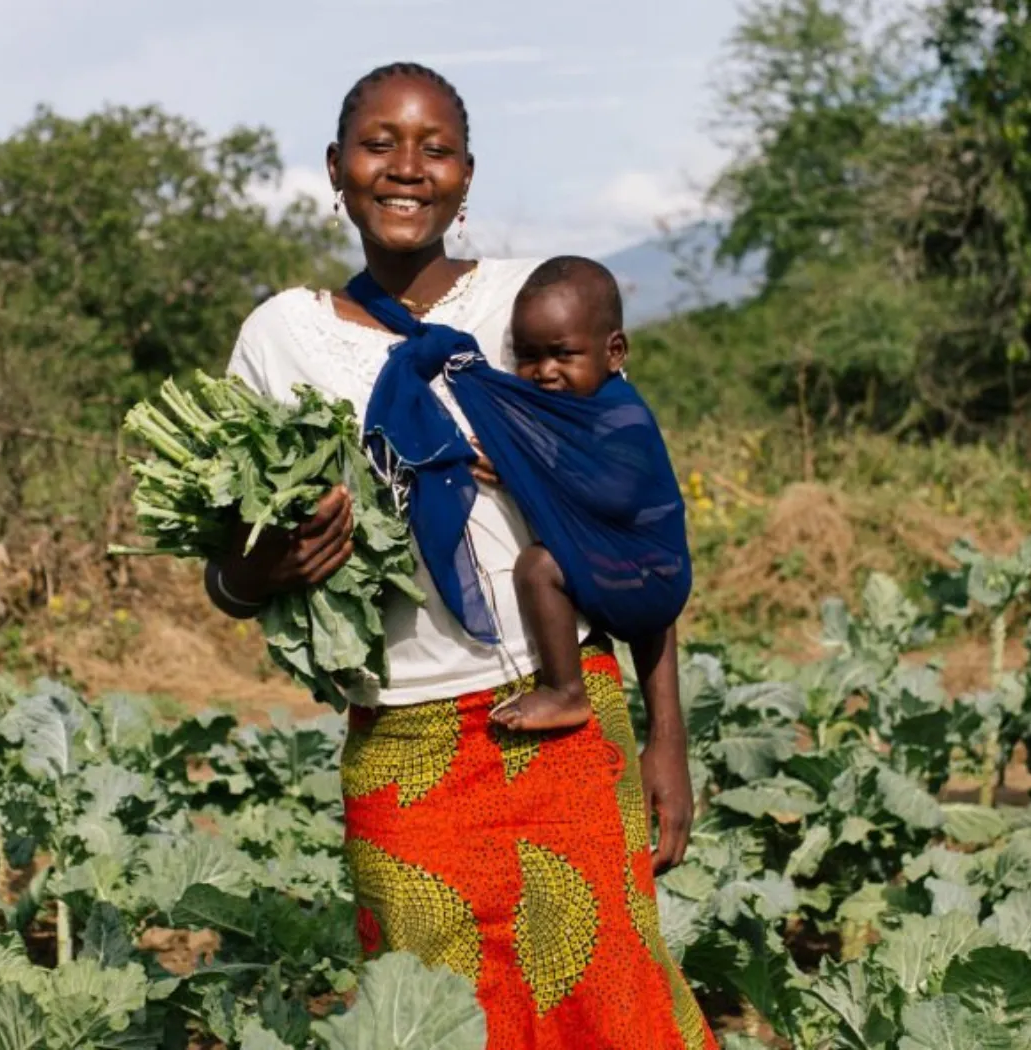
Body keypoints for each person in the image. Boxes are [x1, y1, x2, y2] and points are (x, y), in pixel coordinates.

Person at [206, 62, 716, 1050]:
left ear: (467, 177)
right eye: (379, 144)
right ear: (336, 169)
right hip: (402, 745)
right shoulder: (281, 338)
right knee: (435, 1021)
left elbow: (631, 522)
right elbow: (226, 574)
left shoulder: (536, 303)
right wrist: (268, 570)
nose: (406, 168)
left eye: (434, 148)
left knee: (611, 1007)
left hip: (566, 724)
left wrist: (667, 735)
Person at [486, 256, 688, 734]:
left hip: (647, 576)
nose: (544, 371)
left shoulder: (622, 417)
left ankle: (566, 692)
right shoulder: (569, 411)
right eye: (528, 356)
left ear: (614, 352)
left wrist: (518, 470)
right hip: (622, 566)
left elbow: (609, 493)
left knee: (539, 568)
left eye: (562, 354)